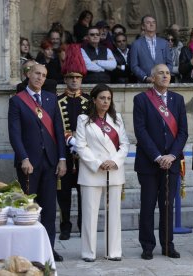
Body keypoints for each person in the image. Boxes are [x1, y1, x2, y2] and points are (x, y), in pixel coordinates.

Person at [8, 64, 67, 262]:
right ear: (28, 75)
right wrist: (23, 157)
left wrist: (62, 159)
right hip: (28, 164)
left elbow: (59, 130)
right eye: (36, 74)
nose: (40, 78)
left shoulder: (51, 99)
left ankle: (48, 250)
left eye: (43, 75)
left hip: (50, 163)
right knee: (27, 210)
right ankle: (26, 251)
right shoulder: (17, 101)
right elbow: (15, 133)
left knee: (49, 210)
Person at [133, 64, 188, 260]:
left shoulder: (178, 100)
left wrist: (172, 155)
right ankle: (147, 246)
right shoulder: (141, 99)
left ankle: (167, 245)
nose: (165, 76)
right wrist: (157, 156)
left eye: (167, 73)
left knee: (167, 205)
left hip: (171, 162)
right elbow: (140, 131)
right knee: (148, 205)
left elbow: (183, 132)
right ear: (152, 77)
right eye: (161, 73)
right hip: (149, 163)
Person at [76, 83, 129, 262]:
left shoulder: (117, 119)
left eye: (108, 98)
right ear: (94, 99)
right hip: (92, 172)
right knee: (90, 215)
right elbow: (80, 146)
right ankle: (88, 252)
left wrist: (114, 161)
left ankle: (113, 251)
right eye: (102, 98)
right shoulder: (83, 119)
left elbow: (125, 144)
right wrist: (98, 163)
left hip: (114, 171)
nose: (106, 101)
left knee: (114, 214)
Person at [56, 44, 90, 240]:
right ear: (65, 79)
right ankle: (65, 225)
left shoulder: (89, 101)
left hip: (85, 156)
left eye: (77, 77)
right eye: (71, 78)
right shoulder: (57, 101)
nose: (74, 81)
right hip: (65, 155)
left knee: (85, 193)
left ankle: (83, 224)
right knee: (64, 194)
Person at [130, 15, 173, 83]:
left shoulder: (164, 43)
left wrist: (165, 76)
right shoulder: (136, 44)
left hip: (162, 82)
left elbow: (169, 63)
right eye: (148, 22)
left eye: (153, 22)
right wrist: (145, 78)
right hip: (144, 83)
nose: (151, 24)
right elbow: (134, 66)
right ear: (143, 26)